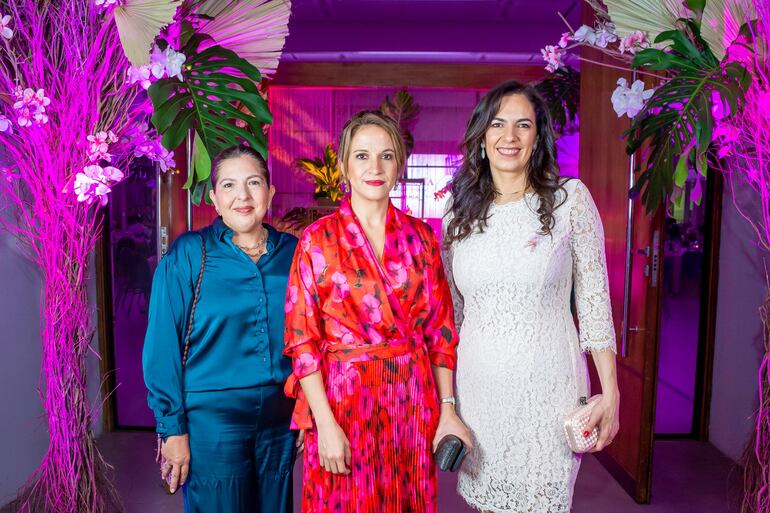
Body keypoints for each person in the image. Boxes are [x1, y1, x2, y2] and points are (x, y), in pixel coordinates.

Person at [442, 80, 620, 513]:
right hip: (480, 395)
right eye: (498, 124)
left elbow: (596, 305)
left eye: (524, 125)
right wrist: (448, 403)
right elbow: (455, 313)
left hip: (549, 391)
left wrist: (611, 395)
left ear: (537, 137)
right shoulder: (456, 214)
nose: (510, 136)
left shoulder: (569, 202)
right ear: (482, 137)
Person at [283, 110, 473, 512]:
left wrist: (447, 411)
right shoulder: (318, 239)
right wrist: (326, 423)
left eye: (386, 156)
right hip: (341, 401)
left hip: (410, 400)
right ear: (344, 165)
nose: (375, 167)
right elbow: (302, 342)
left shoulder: (421, 238)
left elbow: (441, 334)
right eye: (362, 156)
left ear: (399, 165)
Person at [142, 145, 299, 513]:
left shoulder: (295, 252)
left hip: (281, 419)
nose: (242, 196)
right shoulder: (189, 254)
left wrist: (308, 409)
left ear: (270, 192)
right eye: (228, 185)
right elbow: (161, 346)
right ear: (214, 197)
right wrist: (171, 428)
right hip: (213, 421)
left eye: (253, 183)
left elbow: (313, 334)